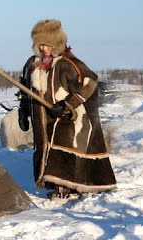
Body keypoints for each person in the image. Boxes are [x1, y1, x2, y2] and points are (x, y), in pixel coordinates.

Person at [20, 19, 115, 198]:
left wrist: (67, 105)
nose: (43, 49)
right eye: (40, 45)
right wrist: (23, 112)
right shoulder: (32, 65)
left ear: (56, 44)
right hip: (42, 118)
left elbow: (88, 83)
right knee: (45, 149)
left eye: (47, 45)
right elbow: (25, 89)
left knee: (62, 150)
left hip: (67, 118)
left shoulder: (68, 63)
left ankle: (65, 189)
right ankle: (54, 185)